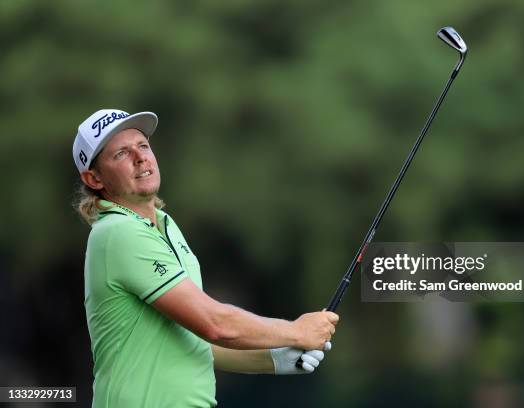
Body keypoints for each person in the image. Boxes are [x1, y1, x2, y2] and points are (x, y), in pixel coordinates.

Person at [73, 109, 339, 407]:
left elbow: (197, 340)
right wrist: (296, 331)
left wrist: (273, 359)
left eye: (143, 145)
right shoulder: (118, 232)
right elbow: (216, 324)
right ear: (94, 178)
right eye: (122, 153)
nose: (140, 157)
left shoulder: (164, 226)